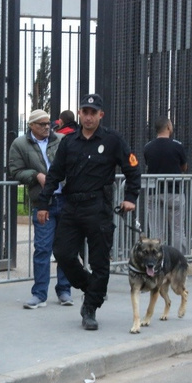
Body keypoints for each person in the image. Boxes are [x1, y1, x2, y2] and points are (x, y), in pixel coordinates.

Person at [38, 93, 141, 331]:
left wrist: (130, 198)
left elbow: (132, 168)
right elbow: (54, 175)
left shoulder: (113, 140)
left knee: (99, 261)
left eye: (93, 112)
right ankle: (90, 286)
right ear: (80, 113)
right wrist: (43, 204)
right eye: (84, 111)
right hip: (72, 206)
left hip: (98, 208)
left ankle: (90, 308)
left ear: (100, 115)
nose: (88, 116)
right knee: (62, 253)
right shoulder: (69, 142)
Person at [9, 109, 72, 309]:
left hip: (66, 199)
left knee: (66, 248)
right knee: (43, 248)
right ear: (31, 126)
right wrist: (36, 175)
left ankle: (65, 290)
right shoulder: (20, 144)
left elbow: (73, 164)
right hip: (43, 202)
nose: (47, 127)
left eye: (48, 124)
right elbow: (15, 171)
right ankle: (39, 294)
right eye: (42, 124)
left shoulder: (61, 140)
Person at [143, 117, 188, 252]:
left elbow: (147, 164)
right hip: (174, 192)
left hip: (154, 193)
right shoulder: (177, 145)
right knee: (178, 230)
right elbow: (184, 167)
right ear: (168, 127)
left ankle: (158, 260)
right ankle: (178, 260)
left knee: (156, 231)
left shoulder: (148, 147)